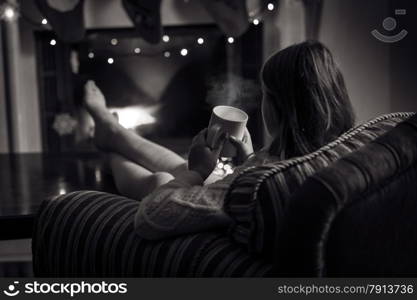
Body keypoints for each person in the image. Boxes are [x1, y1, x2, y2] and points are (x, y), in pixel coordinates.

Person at [84, 40, 355, 240]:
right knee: (178, 168)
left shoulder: (263, 182)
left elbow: (151, 217)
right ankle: (111, 134)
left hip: (232, 199)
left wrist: (198, 171)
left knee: (162, 181)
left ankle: (110, 148)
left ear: (278, 107)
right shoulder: (341, 148)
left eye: (266, 95)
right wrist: (248, 160)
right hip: (239, 189)